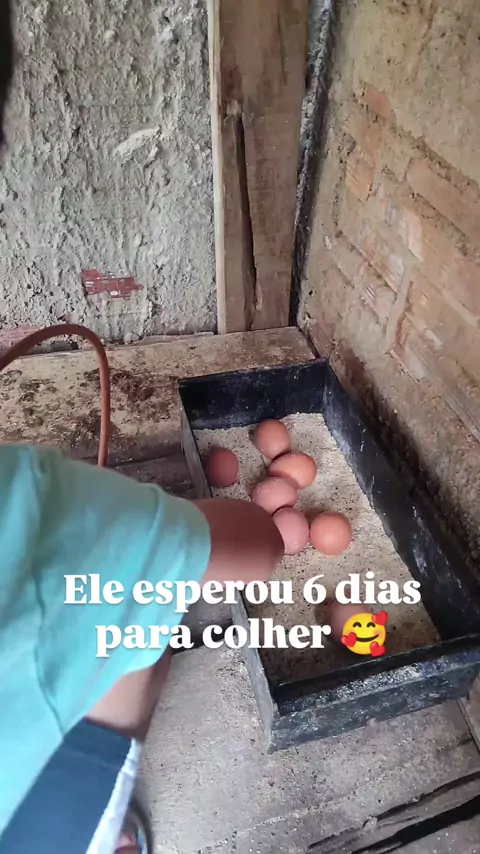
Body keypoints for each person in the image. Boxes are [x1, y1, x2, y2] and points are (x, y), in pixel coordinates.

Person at [0, 8, 285, 852]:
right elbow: (256, 548)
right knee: (139, 629)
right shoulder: (31, 519)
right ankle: (96, 826)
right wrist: (203, 524)